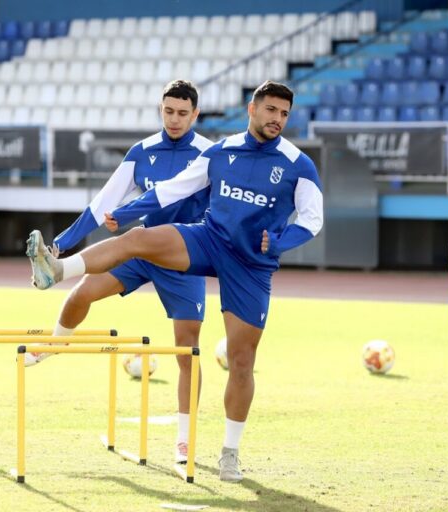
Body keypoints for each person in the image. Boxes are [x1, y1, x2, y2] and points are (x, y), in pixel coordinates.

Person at [26, 80, 324, 482]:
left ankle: (229, 453)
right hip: (208, 240)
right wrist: (128, 212)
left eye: (284, 114)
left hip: (252, 264)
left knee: (240, 360)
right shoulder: (220, 153)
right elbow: (170, 191)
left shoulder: (297, 163)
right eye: (271, 110)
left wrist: (281, 243)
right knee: (135, 240)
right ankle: (58, 270)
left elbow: (312, 218)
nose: (277, 120)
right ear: (252, 109)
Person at [25, 80, 213, 464]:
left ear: (196, 114)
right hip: (140, 248)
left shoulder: (210, 154)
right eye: (168, 111)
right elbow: (101, 205)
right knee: (80, 294)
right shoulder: (141, 152)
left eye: (182, 113)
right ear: (160, 109)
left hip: (184, 257)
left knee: (186, 352)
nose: (174, 119)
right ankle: (58, 341)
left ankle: (184, 439)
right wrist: (58, 244)